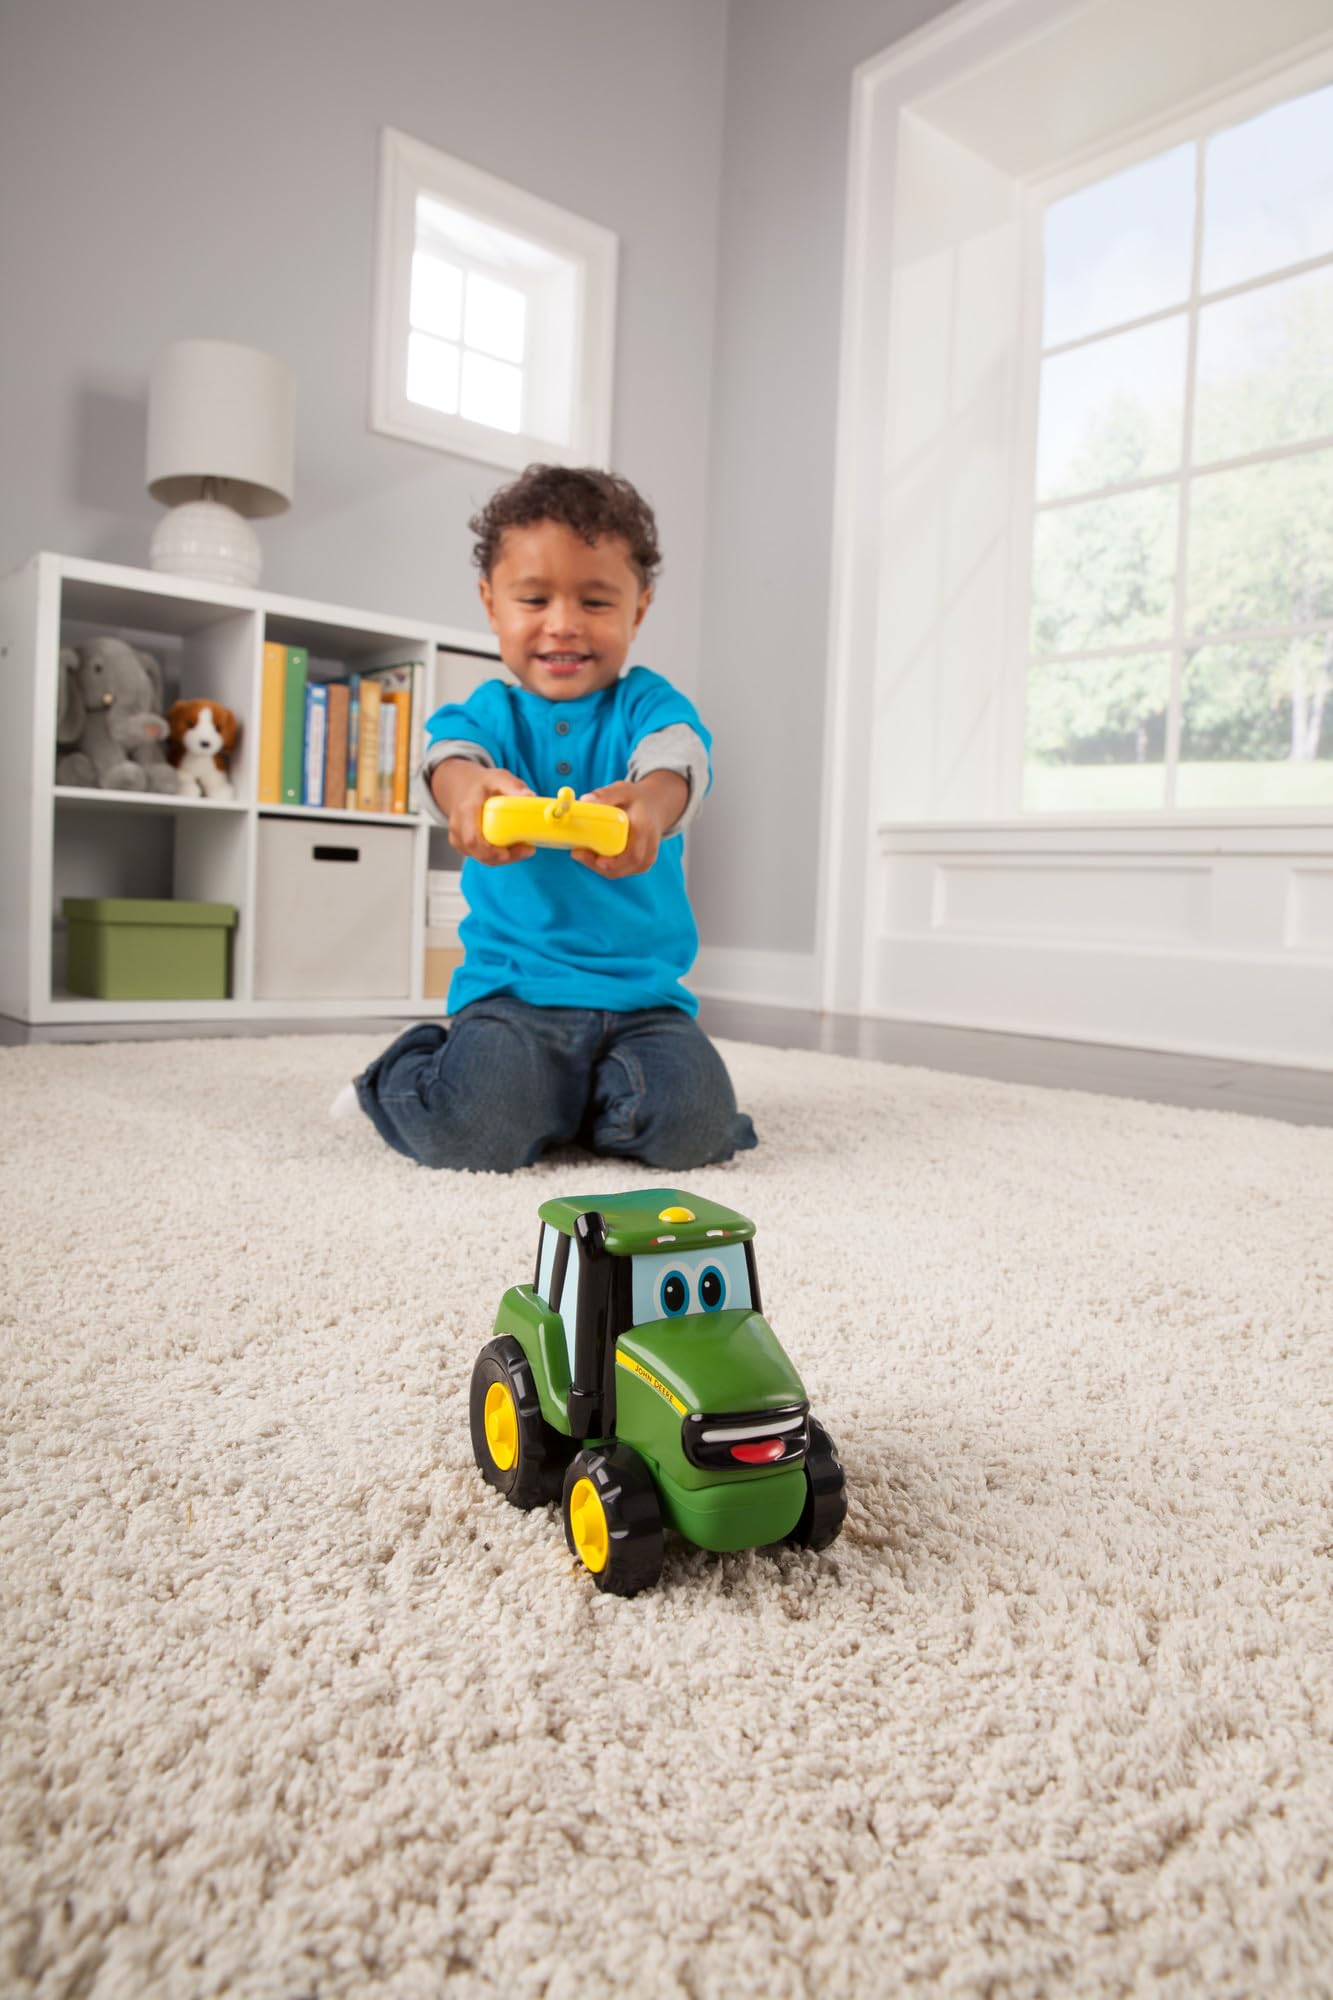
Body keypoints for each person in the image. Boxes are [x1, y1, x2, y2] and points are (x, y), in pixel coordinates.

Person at [339, 463, 757, 1173]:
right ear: (490, 601)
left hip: (645, 1002)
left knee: (692, 1125)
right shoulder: (486, 712)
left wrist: (651, 805)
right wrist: (467, 791)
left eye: (595, 603)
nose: (562, 625)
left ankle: (575, 1101)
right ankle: (404, 1072)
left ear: (640, 607)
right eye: (533, 598)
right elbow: (445, 760)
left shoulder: (648, 705)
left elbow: (680, 762)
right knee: (473, 1129)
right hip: (512, 995)